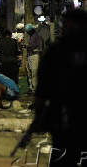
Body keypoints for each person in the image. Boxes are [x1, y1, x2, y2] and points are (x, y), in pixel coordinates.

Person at [31, 10, 87, 167]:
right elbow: (42, 88)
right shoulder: (57, 51)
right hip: (64, 117)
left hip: (64, 117)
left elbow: (42, 90)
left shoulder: (57, 51)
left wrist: (39, 115)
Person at [25, 24, 43, 93]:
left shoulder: (37, 36)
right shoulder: (31, 36)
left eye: (28, 31)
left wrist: (30, 47)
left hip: (34, 56)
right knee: (29, 73)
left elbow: (40, 48)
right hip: (29, 56)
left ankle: (35, 88)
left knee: (34, 73)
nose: (27, 33)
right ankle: (31, 88)